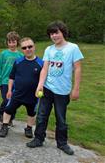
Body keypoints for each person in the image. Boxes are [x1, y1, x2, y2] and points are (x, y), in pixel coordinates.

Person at [26, 21, 84, 155]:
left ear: (63, 32)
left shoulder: (73, 48)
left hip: (63, 91)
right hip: (47, 88)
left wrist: (76, 89)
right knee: (41, 116)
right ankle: (38, 139)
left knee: (61, 118)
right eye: (51, 34)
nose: (54, 36)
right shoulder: (49, 49)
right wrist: (40, 85)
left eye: (56, 32)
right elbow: (45, 68)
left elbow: (78, 68)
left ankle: (62, 143)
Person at [0, 37, 43, 138]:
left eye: (30, 46)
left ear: (34, 47)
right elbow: (11, 77)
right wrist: (9, 90)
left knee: (31, 113)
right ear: (22, 49)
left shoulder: (41, 63)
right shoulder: (18, 61)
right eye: (24, 48)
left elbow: (43, 80)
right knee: (8, 109)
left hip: (32, 95)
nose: (27, 49)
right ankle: (4, 126)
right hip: (17, 93)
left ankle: (29, 128)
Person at [0, 31, 23, 124]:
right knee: (6, 99)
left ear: (17, 42)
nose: (11, 44)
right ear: (7, 42)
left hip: (16, 82)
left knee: (14, 101)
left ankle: (10, 118)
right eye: (10, 42)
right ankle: (1, 114)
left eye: (14, 42)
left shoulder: (20, 55)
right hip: (5, 81)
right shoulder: (4, 54)